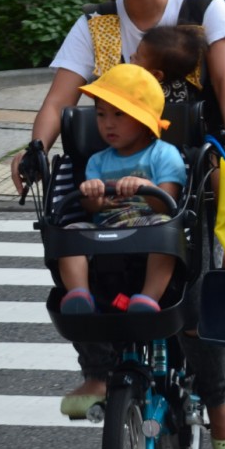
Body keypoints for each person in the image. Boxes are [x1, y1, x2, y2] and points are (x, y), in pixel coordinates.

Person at [11, 0, 225, 449]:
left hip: (189, 164)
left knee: (200, 268)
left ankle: (219, 396)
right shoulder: (96, 25)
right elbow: (58, 100)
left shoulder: (202, 10)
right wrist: (35, 149)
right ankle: (97, 367)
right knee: (63, 230)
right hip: (111, 168)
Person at [56, 63, 185, 318]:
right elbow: (92, 209)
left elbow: (168, 204)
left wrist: (146, 188)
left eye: (118, 115)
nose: (107, 125)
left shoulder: (164, 154)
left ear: (142, 118)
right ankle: (80, 294)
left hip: (148, 223)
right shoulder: (97, 160)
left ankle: (149, 297)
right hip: (106, 226)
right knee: (70, 233)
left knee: (166, 233)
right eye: (101, 115)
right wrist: (93, 195)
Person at [132, 24, 206, 105]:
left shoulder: (144, 94)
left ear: (156, 75)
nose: (132, 55)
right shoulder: (183, 91)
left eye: (137, 57)